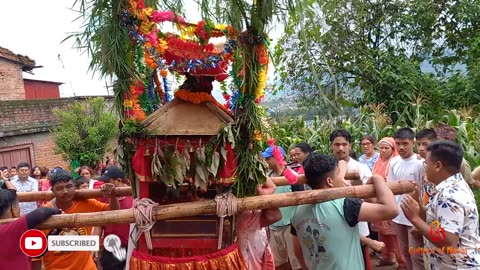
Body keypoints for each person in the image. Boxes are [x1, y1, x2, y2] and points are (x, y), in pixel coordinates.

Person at [290, 153, 399, 270]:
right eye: (339, 175)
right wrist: (378, 178)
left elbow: (297, 251)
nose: (342, 179)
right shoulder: (345, 205)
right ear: (329, 181)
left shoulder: (297, 212)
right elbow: (391, 210)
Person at [402, 141, 480, 269]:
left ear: (438, 166)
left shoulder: (449, 196)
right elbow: (436, 219)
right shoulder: (451, 186)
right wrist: (418, 205)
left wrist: (415, 219)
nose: (424, 167)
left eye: (426, 163)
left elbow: (449, 244)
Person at [32, 169, 120, 270]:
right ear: (52, 191)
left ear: (74, 186)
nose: (65, 191)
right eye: (59, 188)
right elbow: (35, 257)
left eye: (69, 186)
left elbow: (113, 212)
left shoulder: (85, 203)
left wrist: (112, 195)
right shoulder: (44, 214)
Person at [387, 128, 424, 270]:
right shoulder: (394, 162)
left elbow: (423, 192)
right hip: (398, 215)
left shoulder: (420, 163)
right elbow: (390, 187)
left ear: (413, 143)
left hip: (414, 215)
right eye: (398, 144)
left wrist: (420, 217)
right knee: (404, 251)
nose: (401, 147)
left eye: (405, 143)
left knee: (416, 254)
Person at [0, 188, 61, 269]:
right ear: (13, 210)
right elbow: (40, 212)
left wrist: (53, 235)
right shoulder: (10, 228)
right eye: (18, 205)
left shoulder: (14, 232)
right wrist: (59, 211)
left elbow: (36, 252)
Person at [262, 146, 301, 270]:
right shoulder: (268, 176)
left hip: (290, 225)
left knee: (296, 262)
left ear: (276, 158)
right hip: (274, 226)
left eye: (268, 158)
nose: (266, 161)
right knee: (279, 263)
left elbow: (301, 200)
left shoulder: (292, 175)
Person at [371, 137, 407, 268]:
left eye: (387, 148)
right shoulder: (378, 161)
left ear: (393, 149)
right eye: (381, 148)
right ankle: (387, 257)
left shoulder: (394, 162)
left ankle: (402, 262)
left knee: (393, 234)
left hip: (391, 200)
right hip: (378, 201)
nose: (383, 150)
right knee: (383, 233)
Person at [237, 177, 281, 270]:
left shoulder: (247, 213)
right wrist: (265, 192)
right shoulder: (245, 216)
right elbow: (274, 216)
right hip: (247, 258)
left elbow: (275, 216)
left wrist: (264, 193)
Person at [95, 166, 134, 270]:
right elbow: (99, 223)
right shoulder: (103, 196)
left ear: (118, 181)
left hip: (131, 246)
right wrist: (94, 245)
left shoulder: (133, 195)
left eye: (107, 181)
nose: (104, 185)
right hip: (111, 246)